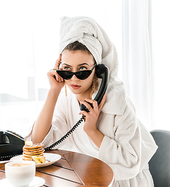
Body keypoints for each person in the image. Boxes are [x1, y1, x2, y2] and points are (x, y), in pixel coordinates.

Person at [27, 16, 158, 187]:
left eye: (82, 70)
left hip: (124, 182)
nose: (74, 78)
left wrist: (92, 131)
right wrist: (54, 91)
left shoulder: (118, 105)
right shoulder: (66, 99)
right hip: (89, 179)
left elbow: (130, 162)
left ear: (98, 70)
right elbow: (38, 143)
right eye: (67, 69)